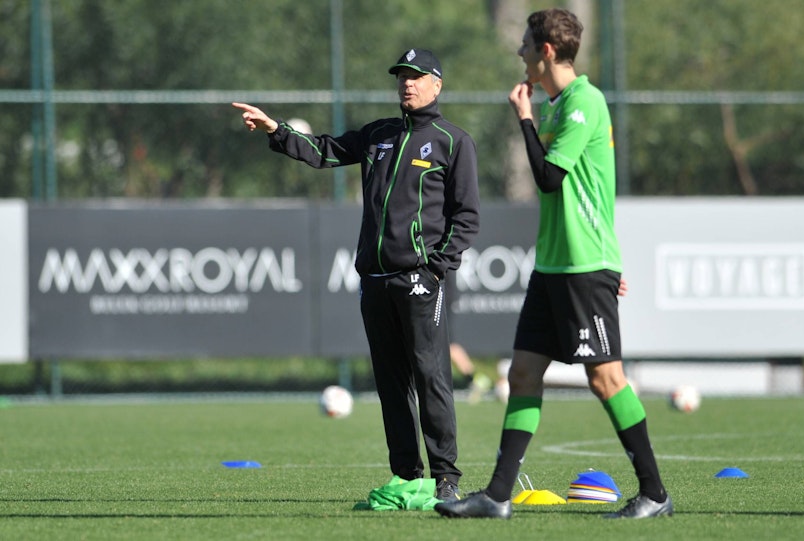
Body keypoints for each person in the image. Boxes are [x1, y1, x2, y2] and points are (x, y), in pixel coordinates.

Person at [434, 9, 672, 519]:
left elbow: (548, 178)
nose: (519, 52)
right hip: (555, 266)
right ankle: (498, 496)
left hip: (583, 266)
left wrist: (524, 118)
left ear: (545, 52)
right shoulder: (561, 105)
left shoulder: (583, 103)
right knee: (522, 373)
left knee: (605, 379)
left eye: (525, 45)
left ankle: (654, 492)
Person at [233, 48, 480, 502]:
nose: (407, 83)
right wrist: (276, 130)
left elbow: (466, 218)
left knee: (431, 378)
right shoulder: (377, 135)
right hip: (375, 280)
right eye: (402, 76)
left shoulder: (453, 140)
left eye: (417, 76)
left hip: (420, 281)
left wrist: (436, 270)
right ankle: (406, 476)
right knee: (391, 383)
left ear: (436, 85)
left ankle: (446, 478)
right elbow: (323, 151)